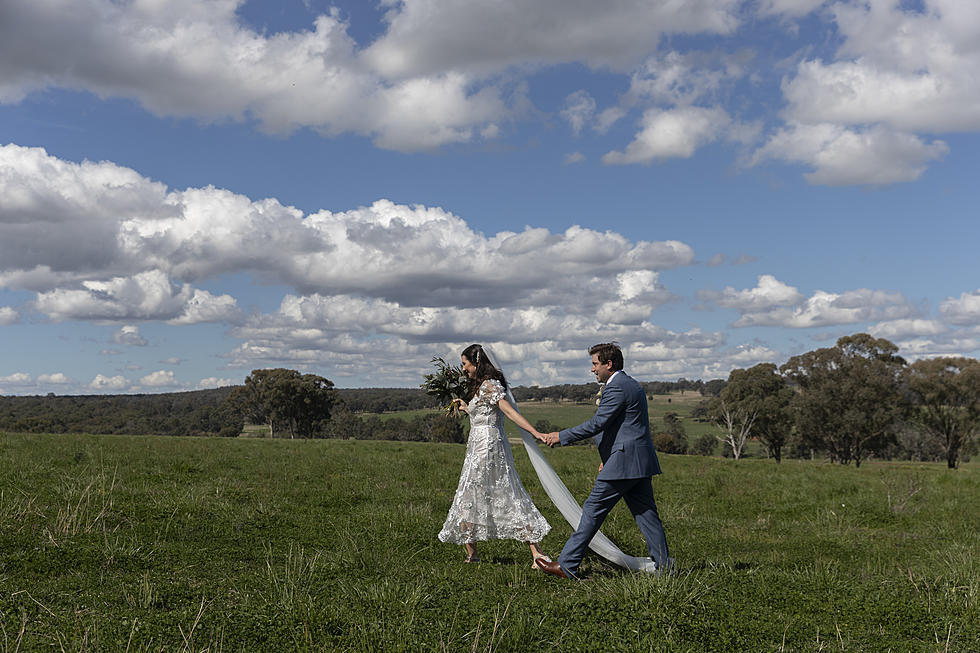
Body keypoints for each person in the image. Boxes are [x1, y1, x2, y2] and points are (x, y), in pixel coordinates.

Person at [536, 342, 672, 579]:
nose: (592, 369)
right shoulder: (631, 384)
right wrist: (607, 457)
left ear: (609, 364)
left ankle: (567, 565)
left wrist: (561, 436)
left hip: (623, 464)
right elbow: (623, 428)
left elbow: (598, 424)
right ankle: (665, 568)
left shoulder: (617, 387)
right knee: (648, 516)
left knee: (592, 511)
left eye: (595, 364)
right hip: (637, 463)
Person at [438, 344, 552, 566]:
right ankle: (472, 555)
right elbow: (481, 413)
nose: (463, 369)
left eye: (465, 364)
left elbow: (508, 412)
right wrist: (466, 407)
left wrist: (535, 432)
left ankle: (537, 554)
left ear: (477, 363)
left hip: (488, 447)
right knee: (470, 496)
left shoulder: (490, 385)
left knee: (502, 494)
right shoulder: (480, 387)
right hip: (477, 446)